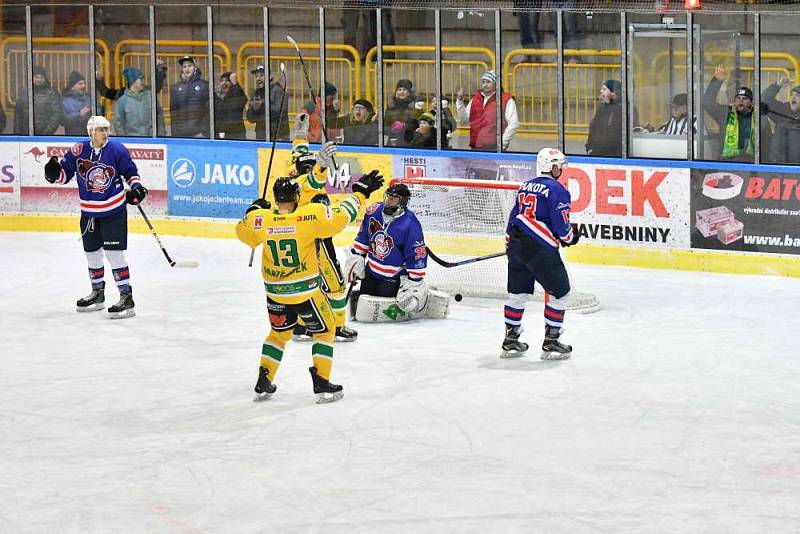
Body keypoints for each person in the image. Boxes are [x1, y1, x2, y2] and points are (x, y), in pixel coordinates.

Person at [236, 169, 385, 403]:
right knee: (325, 332)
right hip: (305, 292)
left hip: (275, 292)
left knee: (277, 334)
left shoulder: (262, 219)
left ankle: (263, 379)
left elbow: (243, 234)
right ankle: (322, 382)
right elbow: (340, 218)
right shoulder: (310, 215)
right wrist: (359, 194)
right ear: (297, 197)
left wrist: (252, 211)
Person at [42, 115, 148, 319]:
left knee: (114, 253)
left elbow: (130, 173)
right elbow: (65, 175)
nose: (105, 133)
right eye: (100, 129)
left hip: (113, 211)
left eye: (106, 129)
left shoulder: (117, 149)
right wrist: (53, 173)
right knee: (92, 253)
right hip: (89, 213)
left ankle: (126, 296)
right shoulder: (78, 150)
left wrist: (137, 188)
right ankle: (98, 293)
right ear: (91, 132)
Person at [501, 147, 578, 360]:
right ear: (552, 167)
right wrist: (571, 237)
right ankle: (551, 342)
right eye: (559, 166)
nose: (561, 169)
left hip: (516, 245)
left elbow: (514, 214)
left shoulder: (526, 186)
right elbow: (561, 226)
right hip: (540, 248)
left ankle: (510, 340)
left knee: (517, 295)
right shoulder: (557, 189)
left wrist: (510, 242)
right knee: (560, 292)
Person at [288, 114, 360, 342]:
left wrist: (300, 133)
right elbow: (314, 179)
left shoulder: (294, 183)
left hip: (300, 243)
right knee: (336, 285)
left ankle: (300, 325)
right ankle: (337, 326)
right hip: (317, 245)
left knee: (305, 284)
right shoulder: (306, 191)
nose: (314, 170)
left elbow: (298, 155)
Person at [345, 183, 450, 323]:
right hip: (371, 271)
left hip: (392, 277)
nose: (388, 201)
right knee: (364, 301)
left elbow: (416, 255)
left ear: (403, 202)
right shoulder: (374, 211)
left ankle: (423, 295)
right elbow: (364, 235)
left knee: (384, 307)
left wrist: (414, 283)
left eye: (393, 199)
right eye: (387, 197)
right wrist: (357, 256)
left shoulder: (410, 224)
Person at [703, 64, 771, 162]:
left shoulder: (760, 118)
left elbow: (766, 145)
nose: (741, 101)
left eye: (745, 99)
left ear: (751, 101)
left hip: (750, 168)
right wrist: (717, 80)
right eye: (738, 98)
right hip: (725, 165)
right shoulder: (725, 113)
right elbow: (707, 103)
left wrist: (764, 170)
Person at [455, 70, 520, 151]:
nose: (485, 85)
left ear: (496, 84)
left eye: (488, 82)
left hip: (495, 149)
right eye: (483, 82)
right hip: (475, 148)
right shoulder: (476, 98)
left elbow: (514, 124)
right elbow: (464, 120)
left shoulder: (506, 99)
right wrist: (460, 101)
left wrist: (502, 144)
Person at [513, 0, 580, 62]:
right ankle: (560, 57)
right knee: (557, 32)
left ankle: (573, 57)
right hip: (553, 2)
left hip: (567, 1)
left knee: (571, 30)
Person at [112, 67, 166, 137]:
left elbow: (159, 116)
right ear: (133, 81)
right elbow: (118, 124)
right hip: (133, 142)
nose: (143, 81)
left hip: (152, 139)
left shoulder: (150, 96)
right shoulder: (122, 101)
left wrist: (161, 135)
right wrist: (126, 141)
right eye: (141, 79)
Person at [761, 76, 800, 164]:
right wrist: (777, 86)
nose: (793, 97)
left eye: (797, 95)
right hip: (776, 165)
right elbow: (762, 102)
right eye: (792, 95)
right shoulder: (783, 110)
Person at [169, 55, 210, 138]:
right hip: (181, 135)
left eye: (189, 66)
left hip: (199, 134)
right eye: (184, 67)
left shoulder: (205, 85)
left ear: (195, 67)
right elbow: (174, 114)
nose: (187, 69)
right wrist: (175, 134)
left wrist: (204, 132)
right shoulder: (176, 88)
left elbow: (208, 112)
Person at [246, 64, 289, 140]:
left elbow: (280, 111)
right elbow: (250, 118)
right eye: (256, 76)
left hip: (278, 134)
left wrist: (261, 105)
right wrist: (255, 109)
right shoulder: (256, 93)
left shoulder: (278, 90)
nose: (258, 78)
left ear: (269, 76)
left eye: (261, 76)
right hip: (261, 135)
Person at [14, 65, 61, 135]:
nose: (39, 80)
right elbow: (18, 114)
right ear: (31, 78)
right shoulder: (24, 92)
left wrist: (46, 132)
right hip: (25, 135)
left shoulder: (51, 93)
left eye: (42, 77)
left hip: (44, 135)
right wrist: (17, 134)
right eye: (36, 77)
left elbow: (56, 114)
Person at [96, 58, 167, 103]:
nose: (143, 80)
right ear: (133, 81)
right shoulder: (122, 93)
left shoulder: (145, 91)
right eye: (140, 78)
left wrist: (160, 69)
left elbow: (156, 87)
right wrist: (98, 79)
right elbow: (105, 93)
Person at [586, 79, 625, 157]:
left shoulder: (623, 109)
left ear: (613, 93)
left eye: (604, 89)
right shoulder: (601, 108)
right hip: (597, 152)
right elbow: (593, 127)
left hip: (615, 154)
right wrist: (589, 147)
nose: (601, 91)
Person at [214, 71, 247, 139]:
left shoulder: (236, 95)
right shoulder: (215, 97)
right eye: (222, 80)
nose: (224, 83)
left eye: (227, 81)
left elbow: (243, 100)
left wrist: (235, 84)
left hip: (236, 135)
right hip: (219, 134)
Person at [384, 79, 417, 144]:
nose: (401, 92)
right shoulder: (391, 106)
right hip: (393, 140)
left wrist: (404, 126)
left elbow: (416, 124)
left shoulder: (414, 105)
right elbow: (384, 125)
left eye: (404, 90)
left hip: (409, 140)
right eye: (399, 90)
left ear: (409, 92)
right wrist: (391, 129)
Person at [61, 71, 92, 136]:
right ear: (72, 86)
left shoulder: (89, 99)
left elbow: (99, 113)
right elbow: (63, 121)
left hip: (89, 136)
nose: (83, 86)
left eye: (84, 83)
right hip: (72, 137)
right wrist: (79, 114)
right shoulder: (64, 101)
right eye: (80, 84)